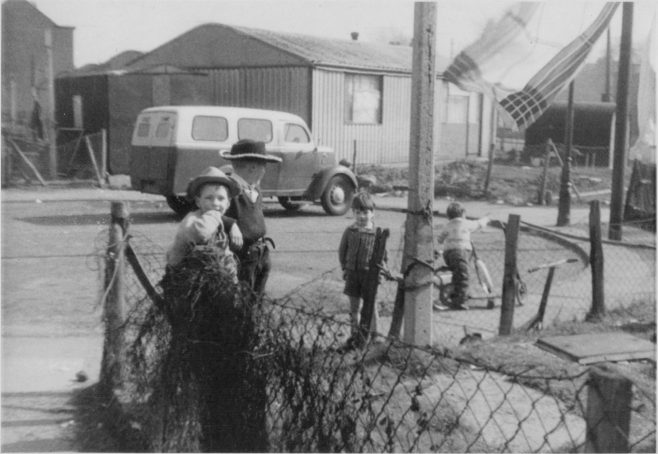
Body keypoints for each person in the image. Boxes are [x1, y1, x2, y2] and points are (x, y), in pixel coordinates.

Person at [220, 139, 282, 295]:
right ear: (253, 168)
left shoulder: (255, 189)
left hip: (260, 252)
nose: (264, 171)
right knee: (243, 298)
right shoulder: (227, 189)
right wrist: (231, 224)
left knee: (258, 298)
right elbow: (210, 213)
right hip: (243, 256)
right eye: (264, 167)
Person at [165, 166, 243, 283]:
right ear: (198, 201)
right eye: (209, 198)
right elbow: (201, 233)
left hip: (212, 277)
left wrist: (232, 276)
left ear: (228, 203)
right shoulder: (193, 219)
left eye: (221, 198)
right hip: (186, 279)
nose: (215, 203)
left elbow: (224, 252)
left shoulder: (216, 221)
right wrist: (215, 215)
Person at [338, 191, 381, 348]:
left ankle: (376, 335)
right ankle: (356, 335)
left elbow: (383, 257)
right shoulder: (350, 232)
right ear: (353, 213)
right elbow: (342, 251)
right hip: (353, 275)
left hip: (370, 276)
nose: (362, 216)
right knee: (354, 307)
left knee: (372, 305)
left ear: (372, 213)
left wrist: (380, 273)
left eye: (365, 212)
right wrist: (345, 268)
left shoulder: (377, 233)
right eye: (358, 212)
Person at [436, 202, 490, 310]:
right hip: (461, 252)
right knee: (463, 276)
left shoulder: (447, 225)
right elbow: (479, 224)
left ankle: (462, 293)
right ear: (463, 214)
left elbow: (440, 239)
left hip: (448, 254)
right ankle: (460, 301)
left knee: (458, 274)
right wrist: (487, 218)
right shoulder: (465, 223)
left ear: (448, 215)